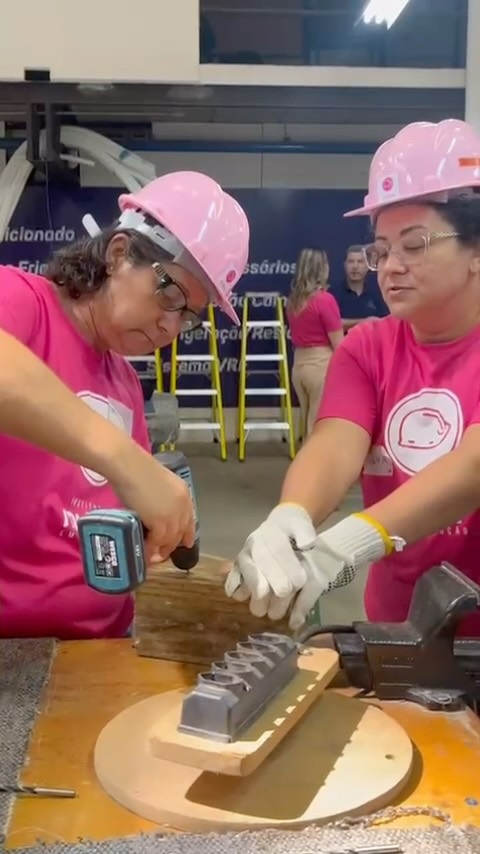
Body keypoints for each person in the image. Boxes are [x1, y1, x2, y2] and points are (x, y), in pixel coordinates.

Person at [226, 118, 480, 639]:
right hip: (398, 626)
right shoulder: (368, 347)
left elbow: (470, 469)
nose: (389, 267)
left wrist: (352, 540)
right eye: (381, 250)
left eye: (414, 244)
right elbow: (334, 442)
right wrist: (290, 518)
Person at [0, 170, 249, 640]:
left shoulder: (125, 384)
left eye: (189, 316)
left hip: (105, 647)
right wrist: (126, 460)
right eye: (170, 293)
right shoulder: (22, 303)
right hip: (15, 657)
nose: (171, 328)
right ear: (118, 254)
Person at [286, 248, 343, 438]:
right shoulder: (325, 300)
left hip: (300, 365)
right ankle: (313, 467)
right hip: (321, 365)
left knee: (307, 424)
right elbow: (339, 344)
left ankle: (305, 463)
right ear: (322, 268)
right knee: (318, 426)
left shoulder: (293, 301)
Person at [331, 244, 388, 330]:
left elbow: (387, 322)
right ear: (345, 265)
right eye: (351, 261)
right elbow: (330, 324)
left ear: (367, 266)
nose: (355, 267)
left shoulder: (378, 294)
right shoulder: (333, 294)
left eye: (360, 262)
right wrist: (364, 322)